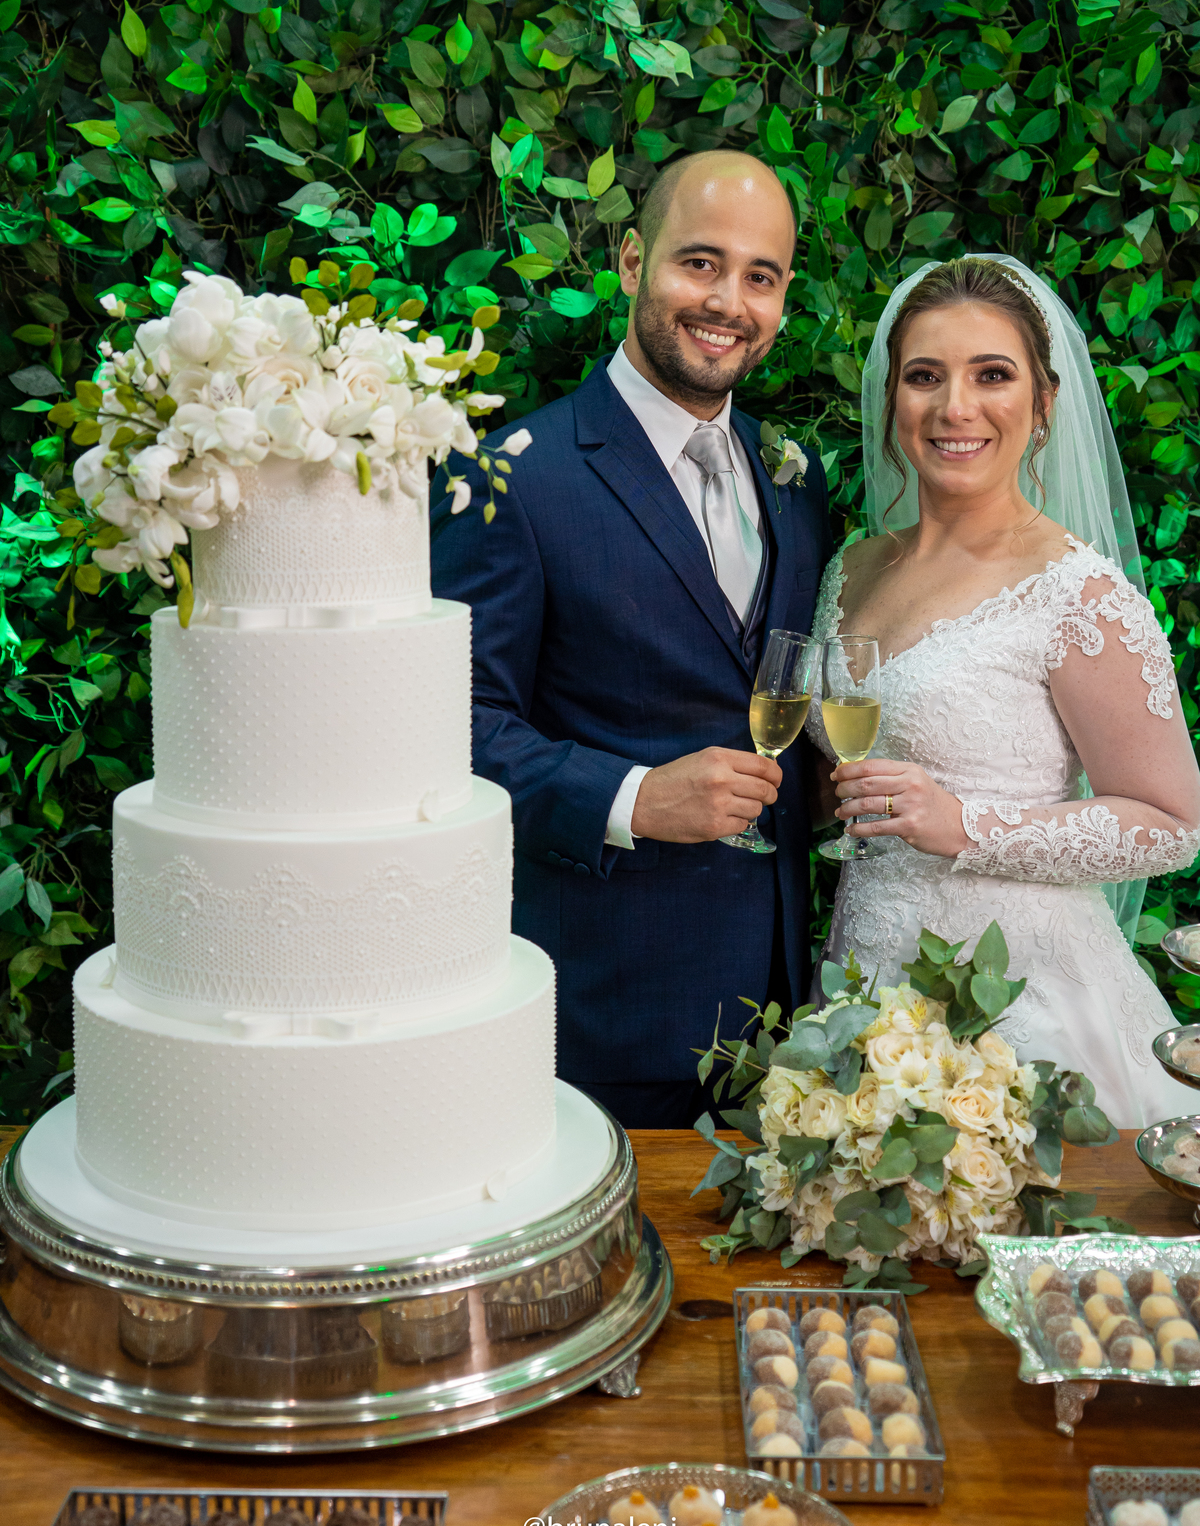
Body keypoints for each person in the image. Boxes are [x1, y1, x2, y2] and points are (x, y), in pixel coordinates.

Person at [430, 149, 832, 1128]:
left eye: (761, 277)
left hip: (784, 1018)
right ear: (628, 261)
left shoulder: (797, 477)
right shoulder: (514, 480)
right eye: (700, 262)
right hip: (606, 1017)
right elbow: (447, 727)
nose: (729, 300)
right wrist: (635, 798)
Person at [806, 253, 1200, 1127]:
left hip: (1023, 1006)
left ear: (1045, 403)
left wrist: (967, 826)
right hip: (864, 988)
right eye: (924, 377)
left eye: (993, 375)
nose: (956, 407)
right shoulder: (854, 566)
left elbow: (1173, 824)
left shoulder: (1078, 596)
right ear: (891, 400)